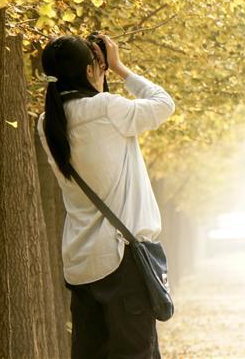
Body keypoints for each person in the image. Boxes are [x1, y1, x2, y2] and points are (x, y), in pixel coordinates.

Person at [36, 33, 175, 359]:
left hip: (81, 264)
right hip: (121, 260)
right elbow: (163, 103)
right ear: (89, 69)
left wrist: (98, 77)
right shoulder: (109, 109)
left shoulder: (46, 124)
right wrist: (120, 68)